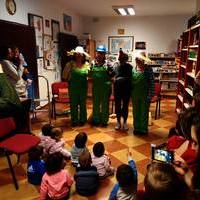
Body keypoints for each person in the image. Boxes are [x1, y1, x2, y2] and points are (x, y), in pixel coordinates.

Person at [62, 46, 90, 126]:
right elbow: (64, 76)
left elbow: (89, 75)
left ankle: (82, 120)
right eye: (77, 54)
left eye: (80, 54)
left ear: (83, 55)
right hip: (73, 88)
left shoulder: (87, 64)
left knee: (82, 104)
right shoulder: (70, 64)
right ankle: (74, 120)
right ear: (74, 55)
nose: (78, 55)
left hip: (83, 88)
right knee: (73, 104)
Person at [90, 45, 115, 126]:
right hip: (96, 87)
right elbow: (89, 74)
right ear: (96, 53)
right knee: (96, 104)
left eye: (101, 53)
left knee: (105, 105)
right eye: (98, 53)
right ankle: (96, 120)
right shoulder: (93, 63)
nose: (99, 55)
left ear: (104, 54)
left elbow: (113, 75)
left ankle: (104, 121)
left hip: (105, 87)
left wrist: (110, 82)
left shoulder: (108, 64)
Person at [132, 51, 155, 135]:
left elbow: (152, 83)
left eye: (139, 59)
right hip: (135, 95)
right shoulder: (133, 69)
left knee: (144, 113)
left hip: (145, 96)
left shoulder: (148, 69)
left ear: (143, 60)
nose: (137, 61)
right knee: (136, 112)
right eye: (136, 59)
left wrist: (151, 95)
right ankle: (136, 128)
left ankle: (143, 129)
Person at [113, 49, 132, 130]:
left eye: (123, 59)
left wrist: (120, 79)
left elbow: (130, 78)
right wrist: (114, 79)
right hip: (117, 89)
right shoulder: (116, 67)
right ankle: (118, 122)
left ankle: (124, 122)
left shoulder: (130, 67)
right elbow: (114, 76)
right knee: (117, 106)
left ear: (126, 59)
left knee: (125, 107)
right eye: (120, 59)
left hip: (126, 90)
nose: (121, 61)